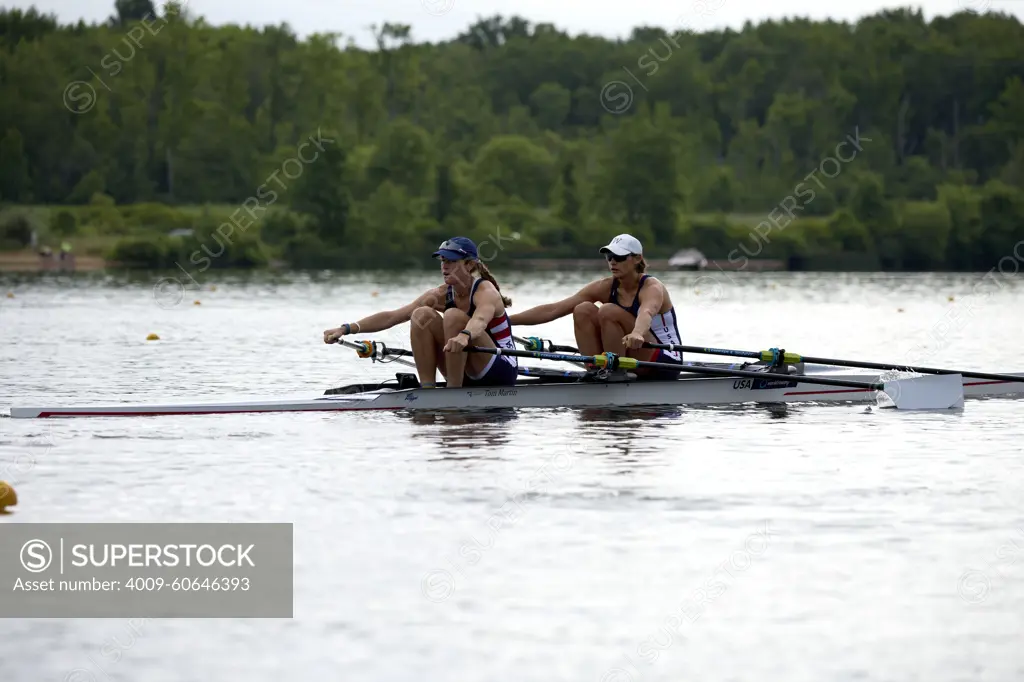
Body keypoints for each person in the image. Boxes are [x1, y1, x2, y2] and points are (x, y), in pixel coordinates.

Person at [323, 237, 518, 389]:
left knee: (452, 316)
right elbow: (393, 317)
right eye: (442, 260)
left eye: (451, 260)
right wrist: (346, 329)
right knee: (421, 314)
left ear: (470, 265)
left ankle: (454, 393)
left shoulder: (486, 292)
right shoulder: (441, 294)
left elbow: (480, 320)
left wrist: (465, 335)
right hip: (468, 366)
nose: (444, 266)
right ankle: (428, 389)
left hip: (500, 369)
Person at [508, 233, 683, 380]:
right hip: (633, 357)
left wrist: (637, 333)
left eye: (620, 257)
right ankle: (596, 370)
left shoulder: (652, 287)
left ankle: (615, 372)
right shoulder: (604, 286)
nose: (613, 262)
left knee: (608, 310)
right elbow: (553, 309)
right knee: (582, 309)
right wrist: (506, 321)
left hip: (664, 359)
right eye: (609, 257)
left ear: (638, 259)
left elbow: (646, 313)